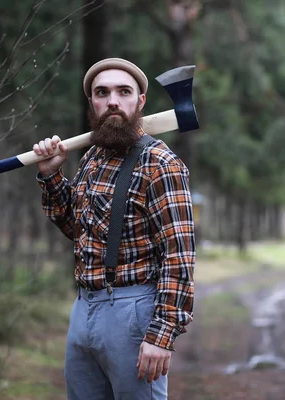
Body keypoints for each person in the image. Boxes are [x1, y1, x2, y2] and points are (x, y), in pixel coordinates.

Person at [33, 58, 195, 400]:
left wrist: (160, 335)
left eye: (124, 92)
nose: (112, 101)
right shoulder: (93, 157)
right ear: (92, 102)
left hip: (132, 311)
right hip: (84, 308)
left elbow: (178, 257)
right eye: (102, 92)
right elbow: (79, 230)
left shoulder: (161, 164)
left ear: (140, 101)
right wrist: (51, 174)